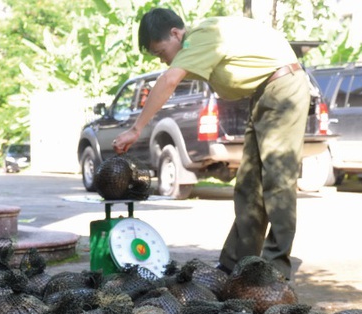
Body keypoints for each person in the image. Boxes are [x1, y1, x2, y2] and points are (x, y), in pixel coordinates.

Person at [113, 9, 310, 280]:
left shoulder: (200, 36)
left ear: (175, 33)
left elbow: (169, 80)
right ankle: (235, 264)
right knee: (249, 184)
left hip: (283, 88)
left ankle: (276, 270)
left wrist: (136, 129)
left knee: (277, 179)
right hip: (264, 94)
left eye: (161, 52)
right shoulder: (199, 44)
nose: (164, 60)